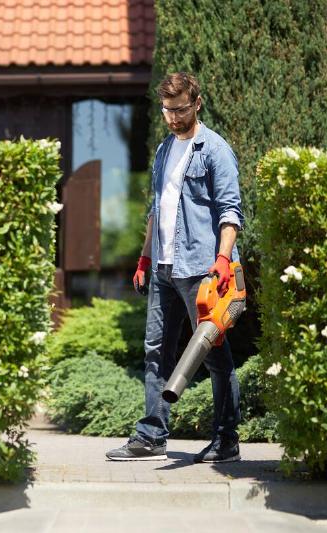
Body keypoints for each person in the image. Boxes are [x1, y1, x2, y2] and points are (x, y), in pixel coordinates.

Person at [106, 72, 244, 463]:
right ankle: (151, 435)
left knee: (214, 355)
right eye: (167, 110)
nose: (173, 117)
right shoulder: (164, 151)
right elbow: (158, 210)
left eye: (180, 109)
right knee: (155, 352)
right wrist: (145, 258)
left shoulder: (215, 150)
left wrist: (222, 260)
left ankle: (226, 439)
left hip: (203, 269)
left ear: (197, 103)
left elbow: (230, 212)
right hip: (165, 268)